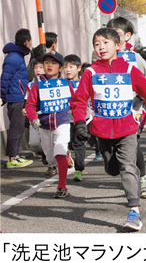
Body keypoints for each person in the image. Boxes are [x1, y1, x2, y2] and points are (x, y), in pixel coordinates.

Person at [71, 28, 146, 231]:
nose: (101, 47)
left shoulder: (129, 70)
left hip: (127, 128)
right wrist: (79, 122)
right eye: (97, 44)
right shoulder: (91, 72)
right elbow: (78, 101)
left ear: (118, 45)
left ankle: (134, 211)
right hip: (102, 131)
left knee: (127, 167)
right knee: (112, 169)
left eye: (106, 43)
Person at [107, 16, 146, 196]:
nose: (113, 38)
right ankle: (139, 171)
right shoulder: (103, 58)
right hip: (111, 111)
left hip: (134, 110)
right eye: (109, 34)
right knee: (115, 147)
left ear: (127, 36)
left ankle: (144, 176)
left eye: (118, 35)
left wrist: (140, 92)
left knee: (132, 143)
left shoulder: (134, 57)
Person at [25, 51, 74, 198]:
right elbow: (30, 105)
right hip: (45, 125)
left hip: (62, 123)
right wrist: (33, 118)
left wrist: (79, 117)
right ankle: (65, 156)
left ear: (60, 68)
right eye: (46, 63)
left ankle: (62, 186)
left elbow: (75, 102)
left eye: (53, 63)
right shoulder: (37, 85)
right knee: (50, 158)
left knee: (59, 149)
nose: (49, 65)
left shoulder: (66, 83)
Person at [1, 28, 34, 169]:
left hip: (18, 97)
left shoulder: (17, 56)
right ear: (26, 41)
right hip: (15, 99)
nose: (31, 44)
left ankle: (17, 156)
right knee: (15, 129)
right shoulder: (14, 57)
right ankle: (12, 158)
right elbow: (5, 78)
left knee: (19, 128)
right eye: (30, 41)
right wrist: (3, 95)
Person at [64, 54, 92, 182]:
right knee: (66, 144)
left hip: (82, 119)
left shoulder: (85, 83)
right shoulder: (61, 84)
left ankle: (79, 170)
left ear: (79, 68)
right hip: (64, 119)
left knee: (79, 143)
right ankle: (66, 157)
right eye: (65, 67)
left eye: (71, 67)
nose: (68, 70)